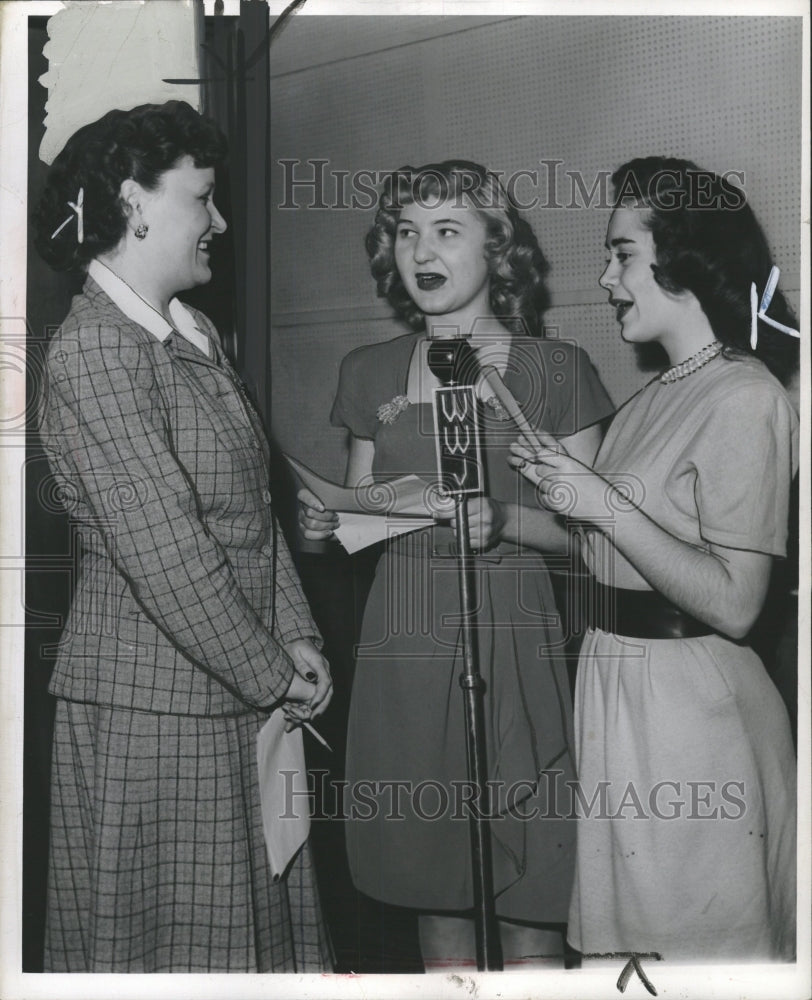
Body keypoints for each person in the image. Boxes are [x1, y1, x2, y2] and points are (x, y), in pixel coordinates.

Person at [33, 101, 333, 972]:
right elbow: (169, 557)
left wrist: (298, 635)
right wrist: (274, 672)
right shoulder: (98, 350)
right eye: (203, 198)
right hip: (152, 712)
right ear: (134, 202)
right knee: (181, 956)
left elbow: (253, 512)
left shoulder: (189, 333)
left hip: (234, 687)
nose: (220, 221)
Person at [299, 161, 614, 968]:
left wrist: (506, 520)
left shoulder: (558, 369)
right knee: (433, 888)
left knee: (534, 896)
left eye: (446, 230)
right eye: (406, 232)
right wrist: (326, 520)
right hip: (405, 641)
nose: (420, 250)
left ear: (497, 248)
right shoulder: (367, 370)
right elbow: (362, 511)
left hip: (515, 634)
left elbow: (602, 538)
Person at [510, 157, 799, 963]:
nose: (606, 278)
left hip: (690, 710)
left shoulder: (746, 396)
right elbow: (614, 557)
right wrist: (516, 511)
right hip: (621, 690)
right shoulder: (657, 394)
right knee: (635, 952)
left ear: (685, 256)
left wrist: (602, 501)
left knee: (692, 951)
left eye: (622, 254)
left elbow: (737, 602)